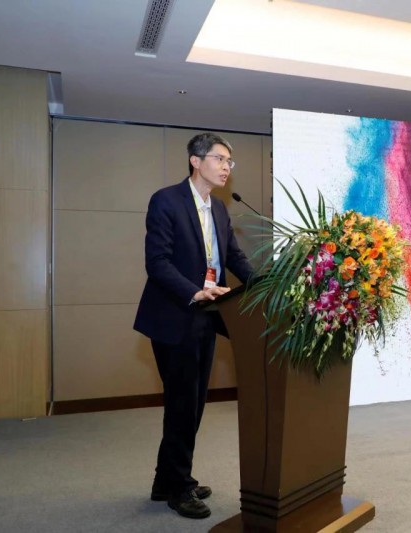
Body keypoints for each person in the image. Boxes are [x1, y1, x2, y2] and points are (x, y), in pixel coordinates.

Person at [134, 132, 254, 519]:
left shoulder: (218, 208)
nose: (226, 167)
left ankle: (166, 480)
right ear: (196, 161)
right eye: (220, 159)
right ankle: (178, 487)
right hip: (175, 315)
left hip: (208, 316)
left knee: (193, 403)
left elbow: (232, 256)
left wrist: (266, 285)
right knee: (183, 405)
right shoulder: (166, 200)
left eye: (229, 162)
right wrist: (195, 291)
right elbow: (158, 262)